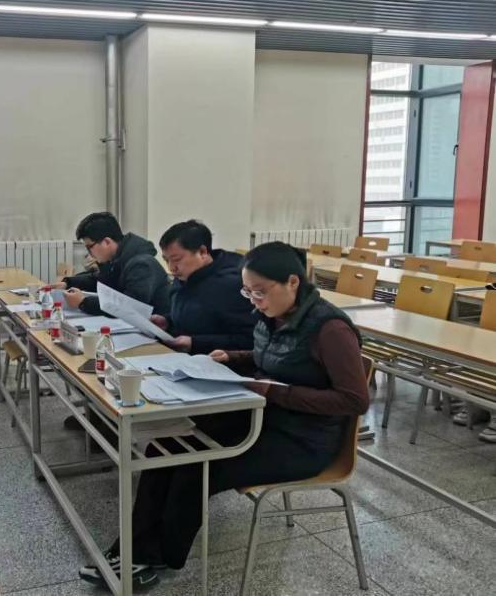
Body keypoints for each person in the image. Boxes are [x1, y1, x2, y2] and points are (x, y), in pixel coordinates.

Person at [79, 241, 370, 589]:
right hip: (263, 417)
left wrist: (274, 391)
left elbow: (354, 400)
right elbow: (271, 356)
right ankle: (131, 549)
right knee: (166, 448)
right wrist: (233, 357)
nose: (254, 301)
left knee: (198, 467)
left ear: (293, 282)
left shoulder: (330, 329)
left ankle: (152, 557)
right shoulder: (273, 312)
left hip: (304, 441)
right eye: (248, 292)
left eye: (260, 292)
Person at [152, 220, 256, 354]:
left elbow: (249, 340)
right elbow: (196, 316)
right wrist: (167, 321)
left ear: (202, 252)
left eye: (176, 259)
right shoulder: (185, 275)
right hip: (183, 356)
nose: (171, 268)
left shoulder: (232, 283)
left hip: (217, 362)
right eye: (166, 260)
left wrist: (195, 343)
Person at [55, 212, 170, 316]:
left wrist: (83, 302)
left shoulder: (141, 265)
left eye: (90, 247)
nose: (89, 253)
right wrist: (67, 283)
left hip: (154, 330)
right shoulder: (117, 259)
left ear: (107, 242)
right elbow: (100, 281)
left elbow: (129, 306)